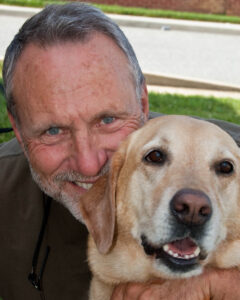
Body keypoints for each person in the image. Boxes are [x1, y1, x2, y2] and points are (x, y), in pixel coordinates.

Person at [0, 2, 239, 300]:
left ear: (141, 104)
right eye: (53, 131)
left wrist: (221, 285)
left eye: (107, 120)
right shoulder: (3, 190)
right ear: (20, 132)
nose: (88, 164)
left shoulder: (228, 153)